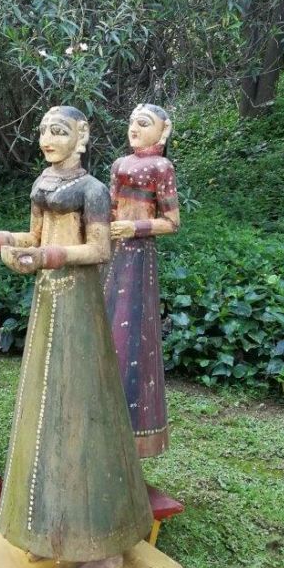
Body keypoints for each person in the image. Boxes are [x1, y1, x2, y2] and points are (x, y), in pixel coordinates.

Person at [0, 106, 152, 568]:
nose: (47, 138)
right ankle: (51, 529)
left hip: (80, 311)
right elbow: (34, 237)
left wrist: (48, 257)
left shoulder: (91, 190)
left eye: (59, 131)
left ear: (81, 138)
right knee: (45, 412)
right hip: (49, 305)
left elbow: (100, 250)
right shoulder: (42, 185)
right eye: (43, 130)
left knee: (82, 409)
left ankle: (104, 548)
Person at [104, 103, 180, 457]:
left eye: (144, 123)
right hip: (113, 255)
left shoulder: (162, 167)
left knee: (134, 333)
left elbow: (172, 222)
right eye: (132, 120)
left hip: (139, 259)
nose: (134, 127)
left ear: (162, 131)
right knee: (107, 325)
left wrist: (136, 227)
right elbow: (108, 210)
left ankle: (134, 429)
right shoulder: (120, 165)